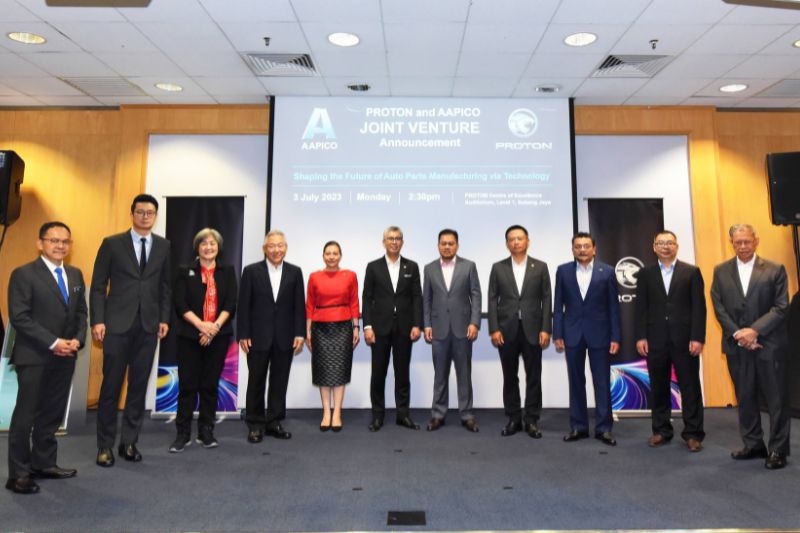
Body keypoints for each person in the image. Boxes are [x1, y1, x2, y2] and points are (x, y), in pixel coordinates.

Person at [6, 222, 87, 495]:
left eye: (65, 241)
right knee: (25, 416)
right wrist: (53, 343)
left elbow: (81, 315)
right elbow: (19, 317)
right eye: (53, 240)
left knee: (51, 415)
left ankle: (44, 464)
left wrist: (77, 340)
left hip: (65, 357)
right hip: (35, 356)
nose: (60, 246)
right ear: (40, 243)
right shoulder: (24, 274)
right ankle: (18, 474)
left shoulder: (75, 275)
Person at [90, 193, 171, 467]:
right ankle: (104, 446)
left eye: (150, 212)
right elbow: (99, 286)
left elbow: (165, 287)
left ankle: (129, 442)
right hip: (116, 326)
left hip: (148, 327)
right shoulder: (112, 244)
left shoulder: (163, 246)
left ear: (155, 216)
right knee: (111, 387)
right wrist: (97, 320)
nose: (145, 216)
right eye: (140, 211)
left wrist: (163, 318)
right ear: (132, 213)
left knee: (138, 387)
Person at [710, 224, 790, 469]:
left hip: (769, 345)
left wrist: (754, 331)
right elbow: (718, 306)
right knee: (745, 397)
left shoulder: (775, 269)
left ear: (755, 241)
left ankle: (777, 449)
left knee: (776, 400)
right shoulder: (721, 271)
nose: (742, 246)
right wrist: (738, 334)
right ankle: (754, 444)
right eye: (738, 242)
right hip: (737, 346)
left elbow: (781, 307)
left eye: (747, 241)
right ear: (731, 243)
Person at [636, 230, 706, 452]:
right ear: (654, 247)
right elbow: (641, 308)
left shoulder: (691, 272)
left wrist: (697, 337)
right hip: (655, 340)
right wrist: (641, 336)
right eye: (661, 243)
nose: (665, 246)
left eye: (670, 243)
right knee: (658, 387)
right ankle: (661, 430)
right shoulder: (645, 274)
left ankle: (693, 433)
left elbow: (699, 308)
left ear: (677, 246)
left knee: (690, 387)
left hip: (685, 341)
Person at [170, 228, 237, 452]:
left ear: (218, 247)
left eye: (213, 243)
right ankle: (182, 433)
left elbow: (230, 303)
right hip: (189, 335)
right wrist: (202, 326)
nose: (209, 247)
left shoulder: (227, 271)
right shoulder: (184, 271)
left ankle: (206, 431)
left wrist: (214, 328)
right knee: (188, 385)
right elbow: (180, 304)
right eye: (204, 243)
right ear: (197, 247)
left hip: (218, 336)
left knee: (209, 385)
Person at [553, 232, 620, 446]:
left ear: (594, 249)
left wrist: (615, 336)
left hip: (600, 334)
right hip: (572, 333)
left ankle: (604, 429)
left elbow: (614, 308)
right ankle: (578, 427)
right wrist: (558, 333)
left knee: (601, 382)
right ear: (572, 249)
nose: (582, 250)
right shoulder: (563, 271)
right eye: (578, 246)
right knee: (576, 382)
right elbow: (558, 306)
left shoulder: (607, 272)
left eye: (586, 246)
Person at [238, 231, 305, 443]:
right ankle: (255, 424)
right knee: (256, 381)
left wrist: (299, 334)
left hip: (285, 337)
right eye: (272, 246)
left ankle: (274, 422)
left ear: (285, 248)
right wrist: (243, 334)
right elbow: (244, 305)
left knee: (279, 382)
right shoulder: (251, 271)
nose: (276, 250)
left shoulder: (295, 272)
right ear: (264, 248)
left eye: (280, 246)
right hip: (257, 337)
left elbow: (298, 307)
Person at [487, 225, 551, 438]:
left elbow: (546, 299)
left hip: (533, 330)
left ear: (527, 241)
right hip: (506, 330)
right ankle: (514, 418)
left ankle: (532, 419)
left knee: (534, 376)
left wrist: (545, 328)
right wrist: (494, 328)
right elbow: (492, 299)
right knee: (510, 376)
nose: (516, 242)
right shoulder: (498, 268)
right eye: (512, 239)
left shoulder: (540, 267)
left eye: (520, 238)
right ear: (507, 244)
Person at [362, 226, 423, 432]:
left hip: (404, 327)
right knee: (378, 373)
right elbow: (367, 298)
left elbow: (417, 297)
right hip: (379, 328)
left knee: (402, 373)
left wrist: (417, 324)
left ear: (402, 242)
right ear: (384, 242)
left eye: (398, 238)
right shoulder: (373, 267)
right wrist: (367, 326)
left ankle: (402, 415)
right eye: (390, 238)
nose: (394, 242)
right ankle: (377, 416)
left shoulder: (412, 267)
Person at [423, 229, 481, 432]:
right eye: (443, 243)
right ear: (438, 245)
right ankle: (438, 415)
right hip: (438, 330)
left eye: (451, 243)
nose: (447, 246)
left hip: (463, 330)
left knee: (464, 374)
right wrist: (427, 324)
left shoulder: (469, 266)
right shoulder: (429, 268)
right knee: (440, 376)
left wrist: (474, 323)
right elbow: (427, 300)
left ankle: (467, 415)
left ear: (457, 245)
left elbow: (476, 295)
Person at [306, 241, 360, 432]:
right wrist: (308, 330)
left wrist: (356, 327)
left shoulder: (351, 275)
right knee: (323, 371)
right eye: (328, 253)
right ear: (323, 256)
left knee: (339, 370)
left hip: (343, 327)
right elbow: (310, 304)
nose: (331, 256)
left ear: (340, 255)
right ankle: (326, 413)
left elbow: (354, 302)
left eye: (335, 253)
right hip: (320, 329)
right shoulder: (314, 276)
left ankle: (336, 413)